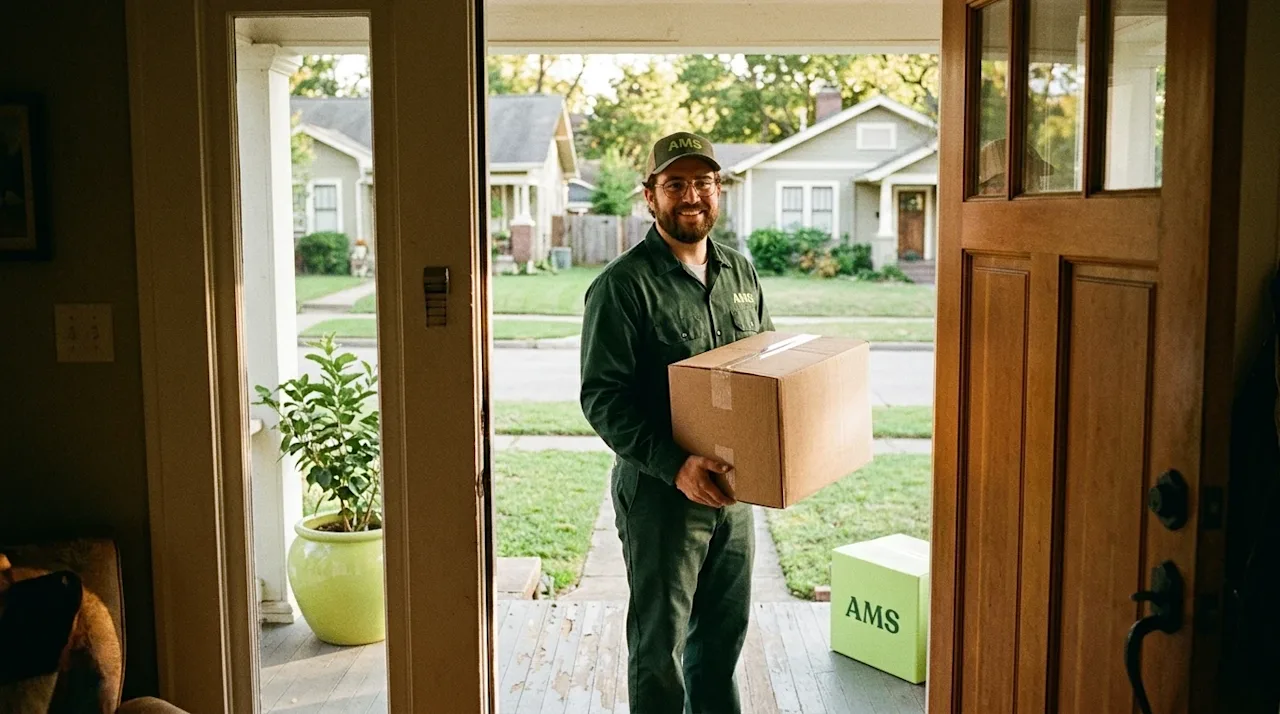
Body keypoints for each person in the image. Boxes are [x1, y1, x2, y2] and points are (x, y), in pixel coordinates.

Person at [579, 131, 774, 713]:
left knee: (721, 639)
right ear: (650, 197)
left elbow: (762, 369)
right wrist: (675, 465)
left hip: (734, 496)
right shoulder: (623, 285)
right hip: (663, 497)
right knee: (659, 648)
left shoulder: (740, 274)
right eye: (675, 184)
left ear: (719, 192)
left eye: (703, 183)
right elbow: (603, 397)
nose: (692, 195)